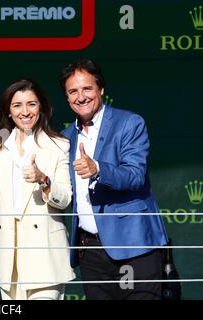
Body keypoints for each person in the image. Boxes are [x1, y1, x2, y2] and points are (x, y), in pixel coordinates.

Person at [59, 59, 168, 300]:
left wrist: (97, 168)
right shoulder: (66, 137)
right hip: (91, 251)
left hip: (133, 245)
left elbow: (135, 175)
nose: (81, 97)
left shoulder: (129, 123)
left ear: (101, 89)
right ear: (67, 98)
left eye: (87, 88)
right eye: (73, 91)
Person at [0, 79, 75, 300]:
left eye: (32, 104)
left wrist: (43, 180)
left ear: (42, 108)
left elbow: (65, 199)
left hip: (44, 255)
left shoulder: (59, 145)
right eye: (17, 105)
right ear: (8, 111)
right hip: (9, 260)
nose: (25, 112)